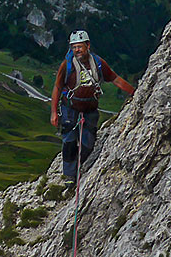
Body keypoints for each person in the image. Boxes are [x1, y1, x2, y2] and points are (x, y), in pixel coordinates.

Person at [50, 30, 135, 182]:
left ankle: (78, 165)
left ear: (87, 45)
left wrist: (135, 92)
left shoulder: (98, 63)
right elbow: (57, 87)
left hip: (90, 109)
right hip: (70, 107)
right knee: (69, 141)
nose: (76, 50)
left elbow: (115, 79)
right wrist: (54, 113)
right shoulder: (67, 65)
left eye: (79, 46)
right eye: (74, 47)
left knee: (88, 143)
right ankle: (69, 176)